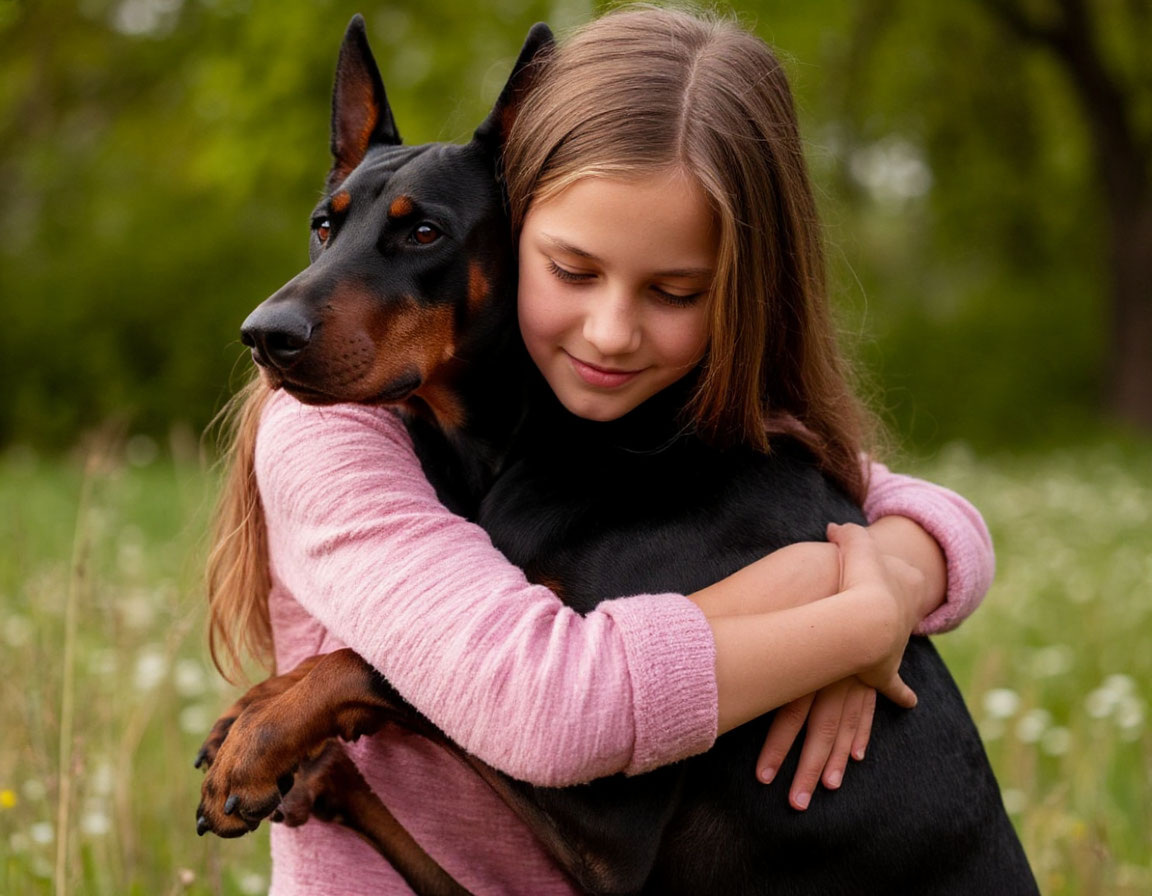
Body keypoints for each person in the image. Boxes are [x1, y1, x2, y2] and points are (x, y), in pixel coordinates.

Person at [206, 6, 995, 894]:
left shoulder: (675, 433)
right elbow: (550, 708)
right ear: (527, 239)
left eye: (674, 289)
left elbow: (923, 509)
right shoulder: (334, 437)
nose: (612, 332)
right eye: (575, 273)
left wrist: (894, 573)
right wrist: (854, 619)